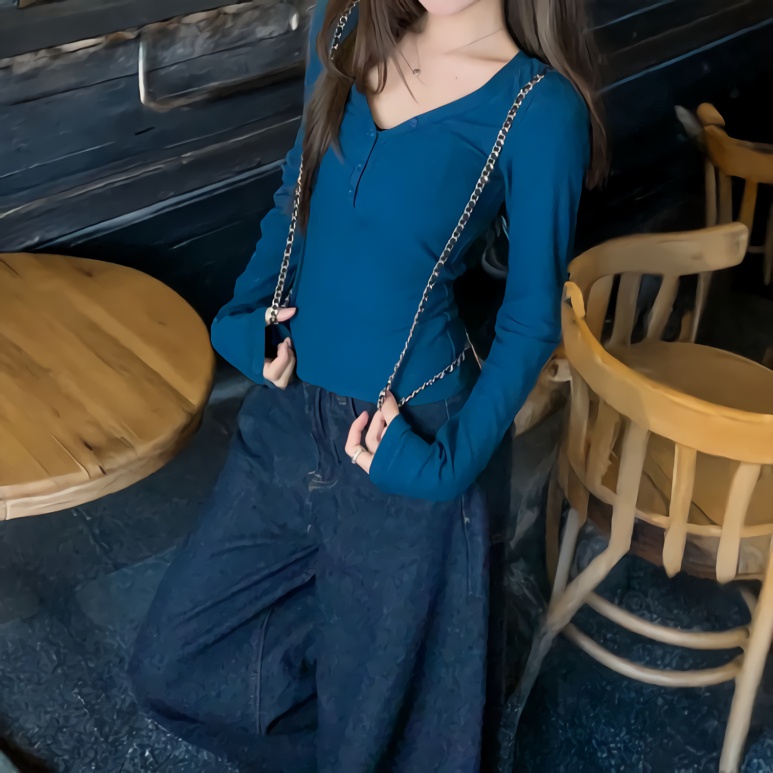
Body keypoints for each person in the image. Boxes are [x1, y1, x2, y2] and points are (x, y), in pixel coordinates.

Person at [129, 0, 605, 769]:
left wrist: (448, 463)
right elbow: (298, 193)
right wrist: (245, 315)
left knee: (379, 726)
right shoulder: (345, 25)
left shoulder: (537, 107)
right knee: (174, 665)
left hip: (406, 435)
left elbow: (529, 321)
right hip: (288, 421)